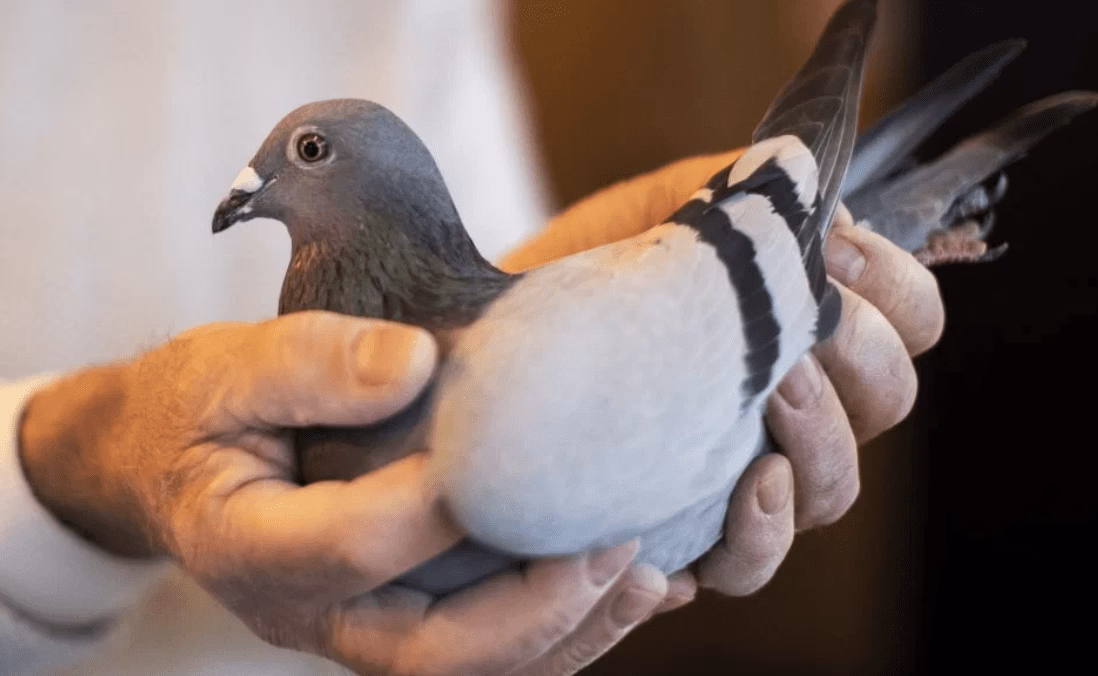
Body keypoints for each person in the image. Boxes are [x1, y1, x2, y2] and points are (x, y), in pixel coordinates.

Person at [0, 1, 942, 674]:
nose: (247, 186)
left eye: (307, 155)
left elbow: (515, 291)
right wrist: (81, 467)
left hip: (713, 297)